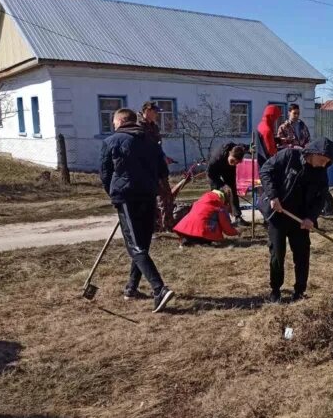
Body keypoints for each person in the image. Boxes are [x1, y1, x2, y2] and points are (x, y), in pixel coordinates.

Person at [100, 108, 174, 312]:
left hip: (127, 198)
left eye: (114, 123)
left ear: (121, 121)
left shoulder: (112, 141)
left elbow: (105, 174)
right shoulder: (152, 141)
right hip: (148, 195)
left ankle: (159, 289)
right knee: (141, 243)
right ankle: (131, 288)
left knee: (135, 246)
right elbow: (163, 171)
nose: (113, 126)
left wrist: (115, 194)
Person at [259, 137, 333, 303]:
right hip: (278, 214)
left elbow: (320, 199)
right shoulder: (289, 156)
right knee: (277, 254)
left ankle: (299, 291)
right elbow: (265, 171)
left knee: (302, 255)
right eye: (322, 160)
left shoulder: (321, 173)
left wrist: (311, 218)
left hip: (300, 220)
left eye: (326, 162)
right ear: (314, 153)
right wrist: (273, 196)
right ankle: (275, 290)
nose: (323, 165)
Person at [138, 101, 175, 232]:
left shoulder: (154, 126)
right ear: (147, 111)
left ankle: (167, 225)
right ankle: (154, 226)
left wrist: (164, 157)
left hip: (158, 166)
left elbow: (157, 146)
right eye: (155, 112)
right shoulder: (138, 127)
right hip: (147, 168)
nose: (157, 115)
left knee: (166, 196)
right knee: (151, 198)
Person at [173, 188, 239, 246]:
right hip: (203, 233)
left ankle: (188, 240)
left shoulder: (202, 200)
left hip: (185, 230)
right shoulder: (219, 206)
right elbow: (227, 228)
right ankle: (197, 241)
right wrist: (236, 232)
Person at [207, 142, 247, 225]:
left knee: (232, 190)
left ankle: (237, 217)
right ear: (229, 153)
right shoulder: (216, 158)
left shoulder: (237, 149)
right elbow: (210, 174)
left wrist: (251, 148)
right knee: (217, 193)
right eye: (232, 160)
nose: (234, 164)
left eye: (236, 163)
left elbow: (245, 146)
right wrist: (222, 185)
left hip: (228, 170)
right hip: (214, 172)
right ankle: (216, 218)